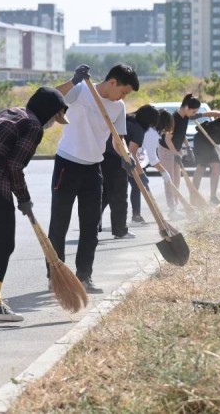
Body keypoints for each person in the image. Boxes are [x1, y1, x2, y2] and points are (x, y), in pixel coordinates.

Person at [0, 87, 69, 322]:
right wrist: (24, 198)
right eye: (55, 117)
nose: (52, 123)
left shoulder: (7, 113)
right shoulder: (33, 126)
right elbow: (15, 167)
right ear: (49, 111)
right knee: (5, 246)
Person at [48, 64, 139, 293]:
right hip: (67, 164)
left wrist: (126, 156)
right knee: (59, 223)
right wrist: (73, 80)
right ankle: (56, 276)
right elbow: (51, 97)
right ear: (112, 82)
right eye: (123, 91)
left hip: (93, 169)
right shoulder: (82, 90)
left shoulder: (118, 107)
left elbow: (118, 139)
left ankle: (84, 276)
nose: (123, 97)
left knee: (90, 227)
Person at [100, 104, 159, 238]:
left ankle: (94, 226)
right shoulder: (139, 130)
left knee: (105, 194)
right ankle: (120, 231)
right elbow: (131, 154)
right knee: (120, 196)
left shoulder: (127, 120)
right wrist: (141, 175)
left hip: (102, 157)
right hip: (116, 160)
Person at [158, 93, 201, 219]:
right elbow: (167, 139)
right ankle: (171, 209)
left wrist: (188, 148)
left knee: (177, 179)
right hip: (166, 150)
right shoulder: (174, 119)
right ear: (187, 107)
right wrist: (175, 153)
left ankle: (176, 205)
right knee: (169, 180)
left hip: (176, 150)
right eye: (193, 111)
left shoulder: (185, 117)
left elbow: (182, 134)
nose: (194, 114)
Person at [131, 109, 175, 223]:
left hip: (137, 160)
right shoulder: (152, 133)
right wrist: (164, 172)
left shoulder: (150, 131)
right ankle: (136, 217)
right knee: (137, 186)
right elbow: (152, 158)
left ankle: (136, 216)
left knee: (136, 187)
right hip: (133, 160)